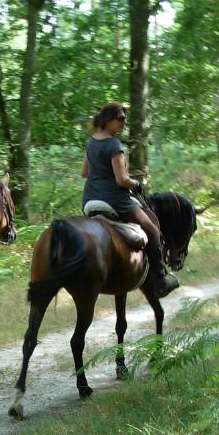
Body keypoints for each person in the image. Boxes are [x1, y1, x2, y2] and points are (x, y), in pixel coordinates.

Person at [81, 103, 180, 298]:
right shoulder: (114, 145)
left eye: (125, 117)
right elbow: (121, 180)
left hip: (89, 200)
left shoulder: (91, 142)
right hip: (114, 200)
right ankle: (160, 282)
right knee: (152, 229)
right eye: (120, 118)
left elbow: (84, 173)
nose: (124, 122)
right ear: (108, 120)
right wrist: (136, 183)